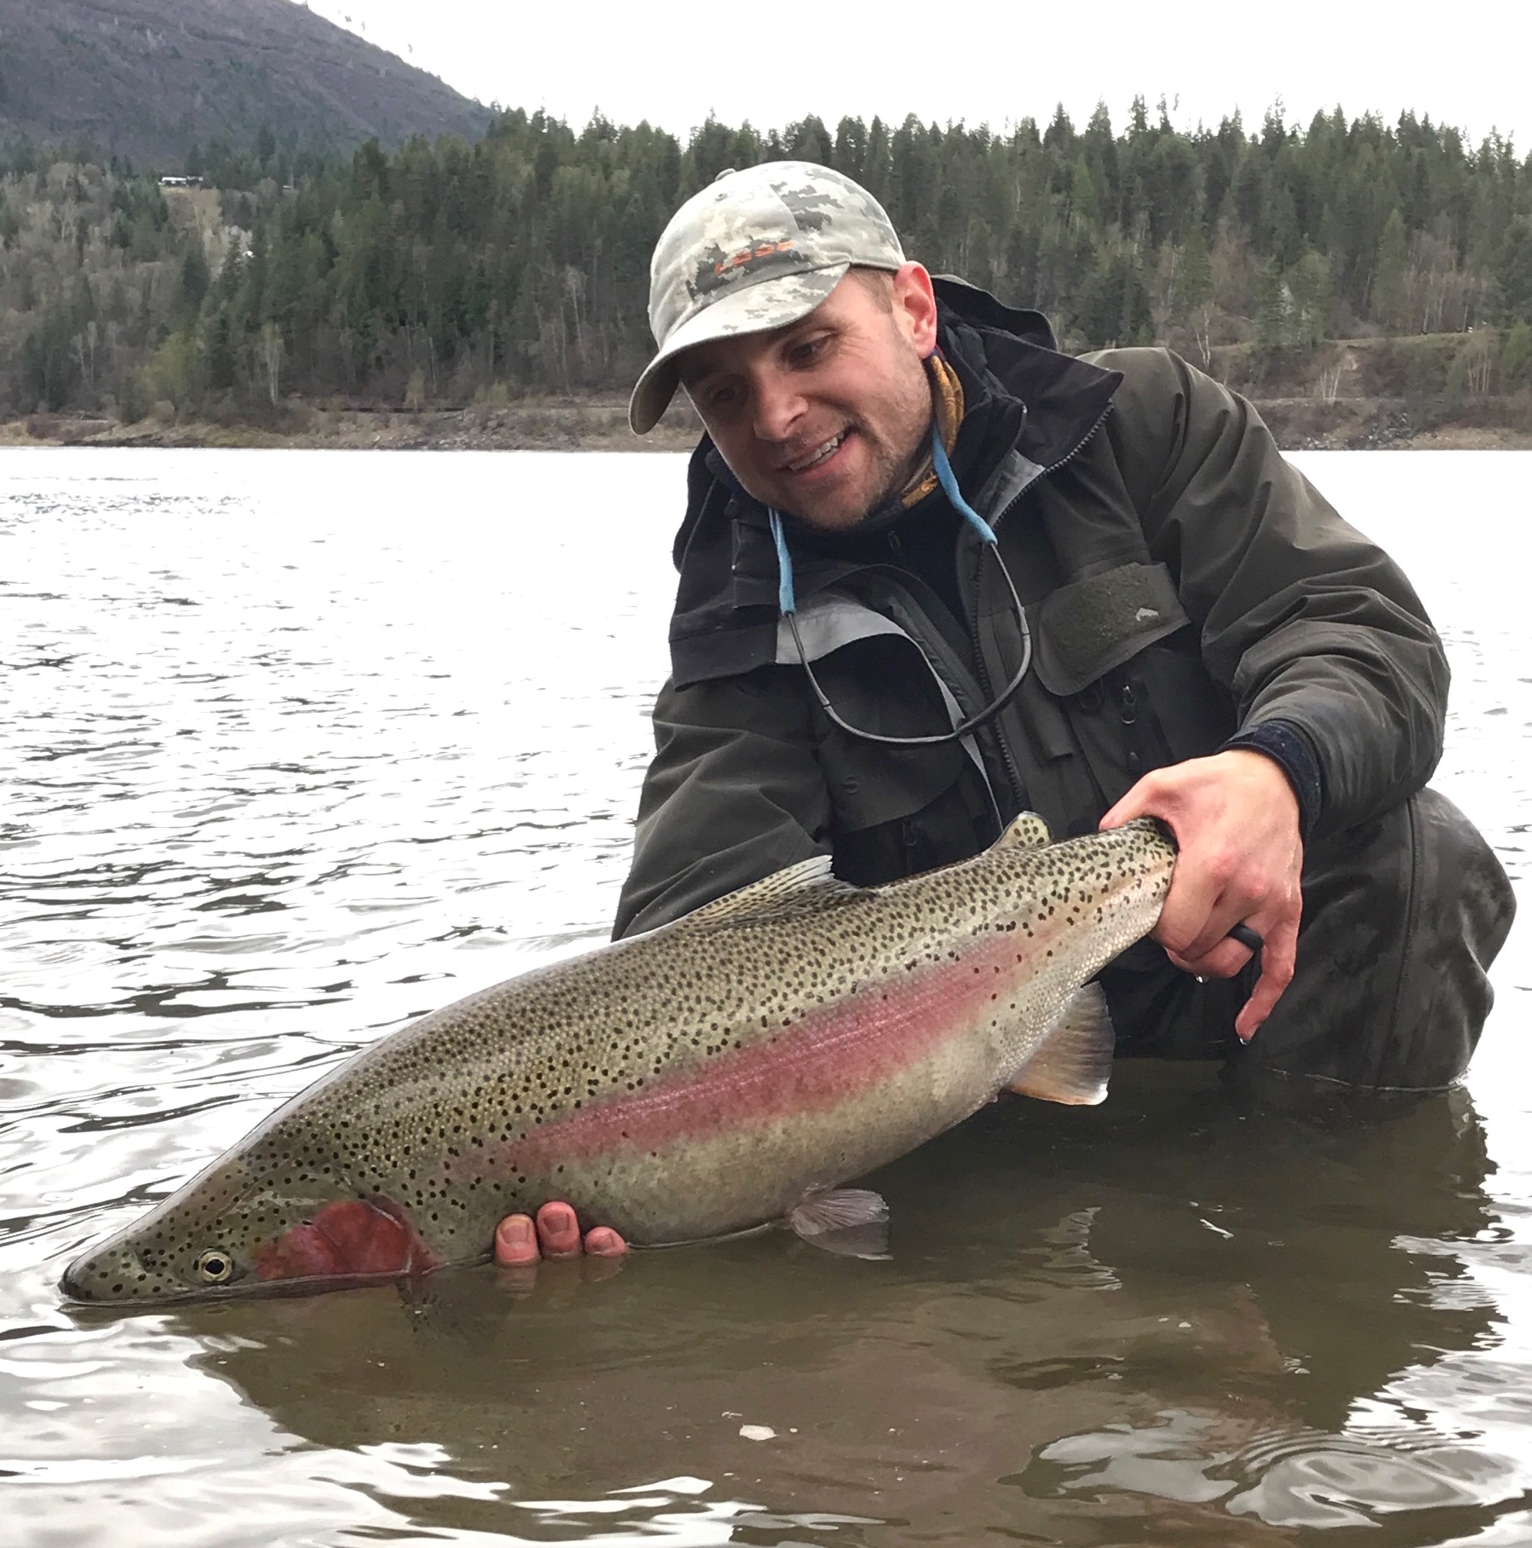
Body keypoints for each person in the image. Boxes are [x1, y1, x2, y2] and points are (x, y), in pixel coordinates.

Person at [492, 161, 1516, 1270]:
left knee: (1420, 849)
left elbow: (1356, 628)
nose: (776, 415)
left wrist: (1274, 771)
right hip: (950, 1077)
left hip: (1217, 980)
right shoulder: (738, 621)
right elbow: (695, 922)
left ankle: (1313, 1238)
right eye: (724, 392)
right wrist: (607, 1149)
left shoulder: (1141, 426)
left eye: (806, 347)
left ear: (914, 309)